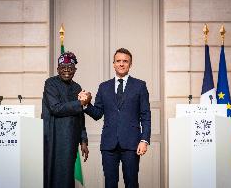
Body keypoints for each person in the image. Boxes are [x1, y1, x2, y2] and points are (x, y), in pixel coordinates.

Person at [80, 48, 151, 188]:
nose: (121, 64)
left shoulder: (140, 86)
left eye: (125, 61)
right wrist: (85, 104)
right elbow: (97, 113)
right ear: (113, 64)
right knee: (110, 184)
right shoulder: (104, 87)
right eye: (118, 61)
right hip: (108, 144)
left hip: (132, 144)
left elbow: (146, 115)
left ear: (130, 64)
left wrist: (144, 140)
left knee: (132, 183)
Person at [42, 51, 91, 188]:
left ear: (75, 70)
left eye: (70, 68)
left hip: (71, 139)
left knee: (67, 177)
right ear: (58, 69)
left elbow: (80, 116)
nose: (67, 71)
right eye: (63, 67)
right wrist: (80, 103)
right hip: (53, 138)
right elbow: (55, 108)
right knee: (52, 176)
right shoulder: (50, 83)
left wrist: (83, 140)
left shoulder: (77, 88)